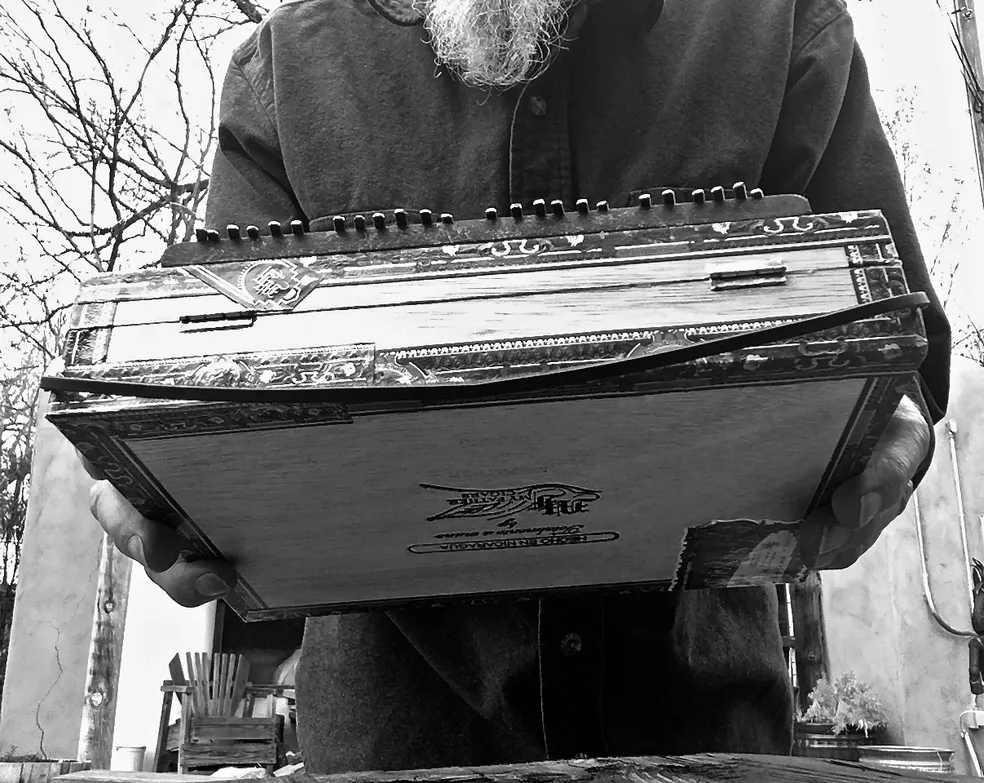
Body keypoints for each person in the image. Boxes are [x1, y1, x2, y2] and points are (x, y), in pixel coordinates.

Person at [86, 0, 950, 773]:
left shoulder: (777, 20)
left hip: (708, 732)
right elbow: (219, 387)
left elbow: (901, 345)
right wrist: (172, 502)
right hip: (399, 746)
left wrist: (890, 436)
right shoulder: (284, 70)